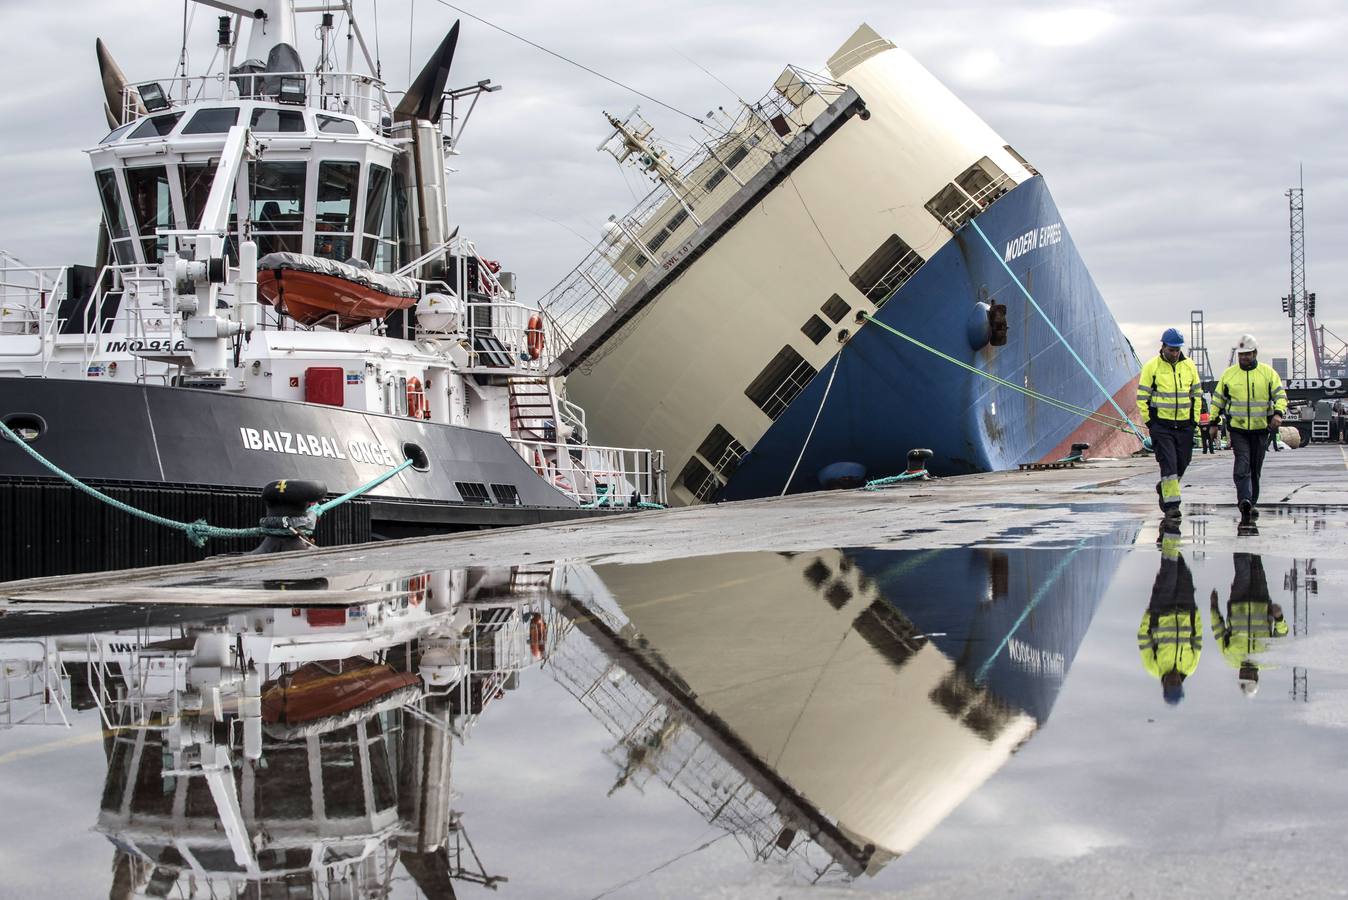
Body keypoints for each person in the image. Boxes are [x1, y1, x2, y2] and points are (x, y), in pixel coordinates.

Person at [1208, 334, 1287, 524]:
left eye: (1248, 354)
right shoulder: (1229, 375)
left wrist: (1278, 413)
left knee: (1255, 468)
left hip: (1261, 430)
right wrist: (1213, 423)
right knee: (1242, 464)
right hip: (1238, 429)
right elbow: (1218, 400)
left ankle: (1251, 501)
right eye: (1241, 354)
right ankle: (1244, 500)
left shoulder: (1268, 374)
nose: (1244, 358)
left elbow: (1280, 396)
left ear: (1255, 353)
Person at [1137, 328, 1202, 520]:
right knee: (1169, 464)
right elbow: (1142, 398)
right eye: (1171, 349)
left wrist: (1194, 421)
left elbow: (1196, 395)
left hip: (1184, 426)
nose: (1174, 353)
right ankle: (1172, 505)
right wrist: (1151, 423)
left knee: (1184, 461)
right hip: (1162, 427)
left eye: (1177, 350)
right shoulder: (1152, 367)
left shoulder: (1189, 366)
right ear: (1163, 346)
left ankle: (1163, 487)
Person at [1138, 522, 1202, 705]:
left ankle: (1171, 531)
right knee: (1183, 571)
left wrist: (1149, 614)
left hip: (1161, 608)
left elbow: (1144, 638)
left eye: (1171, 684)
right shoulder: (1190, 667)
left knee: (1169, 570)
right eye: (1177, 684)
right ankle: (1165, 540)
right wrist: (1195, 613)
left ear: (1164, 686)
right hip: (1185, 607)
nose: (1174, 680)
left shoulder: (1153, 667)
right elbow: (1197, 639)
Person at [1210, 553, 1288, 697]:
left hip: (1238, 602)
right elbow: (1281, 635)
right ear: (1256, 677)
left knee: (1242, 569)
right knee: (1256, 563)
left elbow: (1219, 632)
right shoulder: (1270, 659)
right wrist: (1279, 618)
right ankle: (1252, 534)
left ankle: (1242, 536)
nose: (1244, 672)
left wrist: (1214, 609)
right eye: (1248, 676)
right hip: (1261, 600)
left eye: (1242, 676)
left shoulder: (1230, 658)